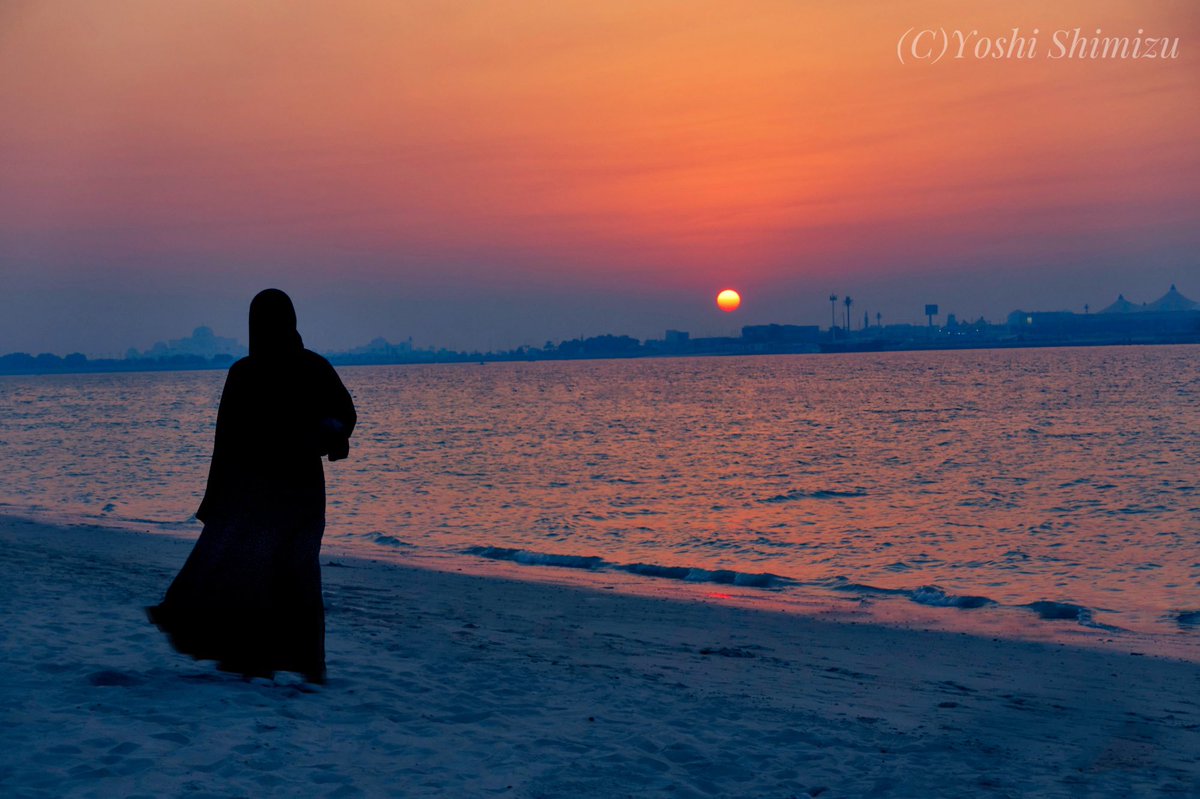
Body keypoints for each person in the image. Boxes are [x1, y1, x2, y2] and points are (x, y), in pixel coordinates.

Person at [148, 289, 356, 684]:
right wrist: (325, 436)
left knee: (258, 576)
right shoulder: (312, 367)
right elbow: (344, 415)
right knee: (297, 578)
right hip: (300, 492)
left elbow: (225, 443)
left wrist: (218, 498)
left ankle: (257, 661)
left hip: (261, 493)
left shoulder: (245, 373)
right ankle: (306, 666)